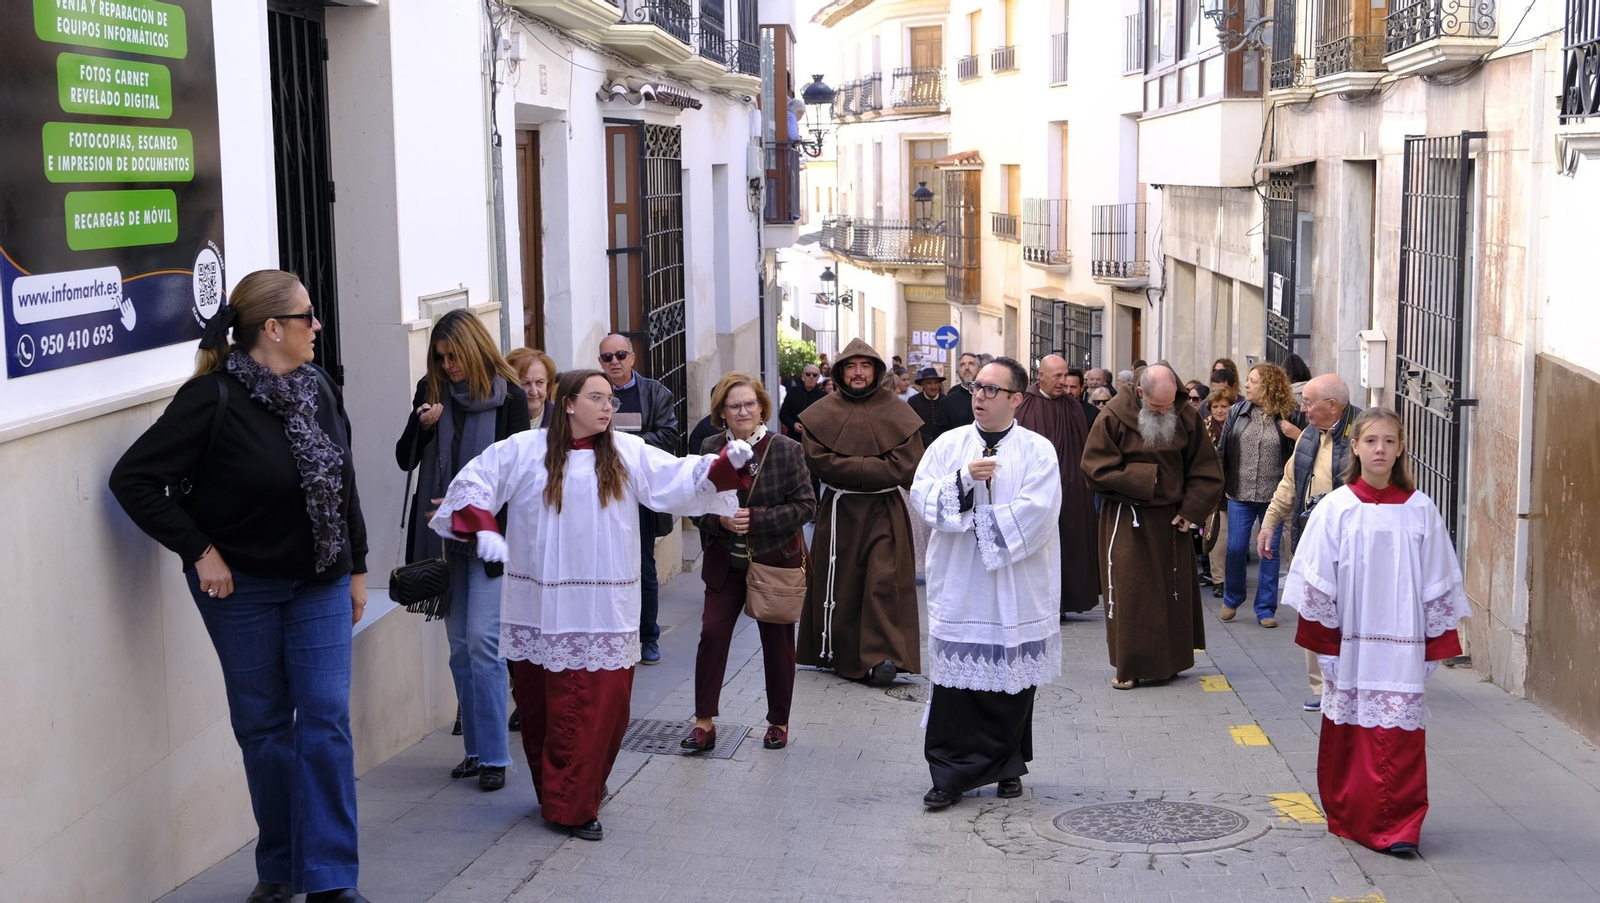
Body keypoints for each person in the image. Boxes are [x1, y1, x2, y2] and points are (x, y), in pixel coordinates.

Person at [110, 270, 372, 903]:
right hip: (242, 592)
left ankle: (332, 879)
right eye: (308, 316)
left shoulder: (319, 387)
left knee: (326, 723)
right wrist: (200, 551)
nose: (318, 327)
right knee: (264, 730)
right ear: (271, 328)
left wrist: (358, 566)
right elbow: (134, 479)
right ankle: (281, 867)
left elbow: (343, 480)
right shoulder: (211, 399)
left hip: (319, 585)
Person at [430, 369, 755, 842]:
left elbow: (675, 477)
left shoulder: (625, 451)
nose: (608, 408)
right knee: (544, 711)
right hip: (540, 609)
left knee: (604, 709)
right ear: (567, 404)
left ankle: (578, 797)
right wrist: (481, 524)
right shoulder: (524, 450)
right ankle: (563, 800)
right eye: (597, 398)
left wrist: (724, 464)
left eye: (611, 399)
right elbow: (475, 482)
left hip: (605, 609)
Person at [1282, 407, 1468, 855]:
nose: (1380, 449)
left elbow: (1437, 578)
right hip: (1352, 641)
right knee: (1353, 732)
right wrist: (1325, 646)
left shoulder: (1421, 509)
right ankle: (1354, 815)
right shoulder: (1337, 508)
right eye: (1371, 441)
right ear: (1357, 448)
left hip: (1402, 642)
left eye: (1388, 441)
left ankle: (1401, 826)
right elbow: (1316, 581)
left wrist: (1433, 644)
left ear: (1401, 448)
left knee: (1400, 740)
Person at [911, 358, 1062, 810]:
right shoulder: (948, 444)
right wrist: (962, 481)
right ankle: (949, 775)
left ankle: (1007, 763)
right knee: (956, 688)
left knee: (1012, 683)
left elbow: (1040, 511)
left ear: (1017, 399)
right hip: (961, 580)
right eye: (977, 387)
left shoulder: (1038, 450)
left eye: (992, 390)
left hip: (1016, 582)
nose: (980, 396)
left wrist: (985, 523)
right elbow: (922, 495)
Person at [396, 310, 530, 788]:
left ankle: (495, 757)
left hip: (488, 538)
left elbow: (518, 476)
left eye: (454, 356)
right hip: (441, 541)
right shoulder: (429, 392)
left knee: (484, 645)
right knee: (458, 649)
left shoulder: (509, 397)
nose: (448, 365)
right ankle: (474, 750)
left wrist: (469, 505)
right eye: (441, 357)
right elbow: (404, 459)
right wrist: (425, 427)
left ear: (474, 349)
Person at [685, 373, 816, 753]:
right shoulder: (709, 448)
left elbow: (806, 506)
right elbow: (695, 505)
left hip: (775, 564)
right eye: (733, 405)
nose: (743, 411)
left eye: (749, 404)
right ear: (721, 413)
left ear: (762, 408)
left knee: (777, 645)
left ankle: (778, 722)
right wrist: (720, 521)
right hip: (725, 564)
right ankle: (703, 724)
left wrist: (756, 519)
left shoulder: (786, 449)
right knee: (711, 635)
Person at [1081, 365, 1224, 689]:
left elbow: (1206, 468)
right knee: (1131, 594)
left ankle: (1167, 664)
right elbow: (1093, 467)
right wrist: (1145, 479)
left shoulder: (1184, 415)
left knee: (1170, 595)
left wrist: (1191, 510)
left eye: (1170, 404)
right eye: (1158, 406)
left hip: (1172, 520)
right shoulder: (1114, 417)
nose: (1165, 411)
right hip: (1127, 515)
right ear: (1140, 393)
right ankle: (1128, 667)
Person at [797, 338, 926, 684]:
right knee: (842, 585)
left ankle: (882, 655)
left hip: (884, 509)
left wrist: (851, 466)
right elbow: (819, 461)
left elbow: (905, 464)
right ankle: (837, 652)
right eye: (851, 366)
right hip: (840, 512)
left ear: (876, 371)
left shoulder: (898, 412)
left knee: (882, 580)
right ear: (840, 372)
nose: (858, 373)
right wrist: (872, 466)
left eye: (865, 366)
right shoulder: (822, 413)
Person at [1260, 374, 1360, 712]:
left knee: (1351, 614)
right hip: (1312, 541)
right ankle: (1321, 689)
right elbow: (1289, 484)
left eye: (1308, 403)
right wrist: (1270, 523)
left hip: (1351, 544)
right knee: (1314, 611)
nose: (1303, 410)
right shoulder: (1306, 437)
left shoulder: (1362, 434)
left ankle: (1353, 682)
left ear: (1332, 406)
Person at [598, 333, 679, 664]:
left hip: (639, 494)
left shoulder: (655, 393)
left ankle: (648, 636)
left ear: (632, 358)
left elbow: (670, 436)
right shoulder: (593, 392)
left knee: (643, 567)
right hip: (600, 494)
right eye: (606, 357)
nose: (614, 362)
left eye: (620, 355)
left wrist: (623, 443)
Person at [1214, 362, 1303, 627]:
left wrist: (1296, 434)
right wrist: (1217, 486)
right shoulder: (1237, 412)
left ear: (1269, 386)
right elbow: (1222, 451)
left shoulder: (1290, 415)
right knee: (1236, 548)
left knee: (1269, 551)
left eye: (1252, 381)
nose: (1247, 385)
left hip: (1273, 496)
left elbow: (1307, 449)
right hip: (1239, 492)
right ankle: (1232, 597)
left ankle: (1265, 608)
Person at [1015, 354, 1099, 619]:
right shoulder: (1025, 406)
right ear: (1040, 376)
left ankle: (1064, 602)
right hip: (1037, 492)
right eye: (1058, 377)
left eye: (1067, 376)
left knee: (1069, 544)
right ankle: (1037, 604)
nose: (1064, 383)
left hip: (1072, 491)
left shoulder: (1073, 407)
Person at [1201, 388, 1237, 596]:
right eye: (1215, 406)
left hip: (1236, 486)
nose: (1219, 411)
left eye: (1224, 406)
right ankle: (1219, 581)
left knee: (1236, 539)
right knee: (1218, 535)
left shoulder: (1238, 426)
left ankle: (1232, 578)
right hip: (1214, 488)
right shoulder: (1205, 426)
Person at [506, 347, 557, 427]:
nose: (534, 392)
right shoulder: (499, 419)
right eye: (525, 383)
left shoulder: (561, 420)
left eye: (540, 382)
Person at [779, 364, 826, 437]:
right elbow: (783, 415)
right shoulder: (792, 392)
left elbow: (826, 419)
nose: (811, 377)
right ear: (803, 377)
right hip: (794, 438)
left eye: (814, 375)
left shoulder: (823, 397)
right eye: (808, 374)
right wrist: (793, 424)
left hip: (815, 440)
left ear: (818, 378)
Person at [907, 366, 948, 448]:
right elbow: (911, 427)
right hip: (919, 447)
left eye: (936, 382)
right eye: (929, 383)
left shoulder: (946, 400)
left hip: (943, 446)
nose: (933, 386)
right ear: (922, 385)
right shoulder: (913, 401)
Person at [941, 352, 981, 430]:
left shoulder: (988, 397)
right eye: (962, 365)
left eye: (971, 364)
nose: (966, 368)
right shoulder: (947, 402)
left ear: (979, 369)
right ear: (958, 371)